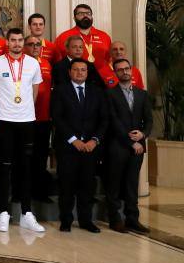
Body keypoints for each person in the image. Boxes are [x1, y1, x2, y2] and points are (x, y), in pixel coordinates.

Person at [0, 28, 45, 233]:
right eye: (13, 40)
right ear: (8, 42)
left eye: (20, 40)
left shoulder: (33, 63)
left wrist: (24, 108)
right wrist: (1, 111)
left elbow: (34, 92)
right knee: (5, 167)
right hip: (4, 121)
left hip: (27, 121)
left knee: (26, 166)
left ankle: (26, 213)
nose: (17, 44)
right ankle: (4, 212)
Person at [51, 59, 108, 233]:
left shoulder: (97, 92)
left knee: (87, 185)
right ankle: (66, 219)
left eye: (83, 70)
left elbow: (104, 119)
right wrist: (73, 139)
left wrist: (94, 140)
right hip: (68, 146)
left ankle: (86, 220)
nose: (80, 73)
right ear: (70, 72)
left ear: (87, 72)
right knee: (67, 184)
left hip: (90, 147)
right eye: (76, 70)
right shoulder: (60, 91)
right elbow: (57, 117)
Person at [105, 58, 153, 234]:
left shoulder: (142, 94)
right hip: (118, 146)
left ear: (131, 70)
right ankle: (115, 219)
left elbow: (148, 120)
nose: (124, 72)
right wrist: (130, 142)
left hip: (138, 147)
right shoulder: (110, 94)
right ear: (115, 73)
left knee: (132, 184)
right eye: (120, 70)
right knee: (114, 184)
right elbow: (113, 121)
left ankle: (132, 219)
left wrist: (143, 135)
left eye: (127, 69)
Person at [24, 36, 54, 203]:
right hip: (25, 117)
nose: (35, 47)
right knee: (24, 157)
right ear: (24, 47)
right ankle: (23, 193)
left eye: (38, 44)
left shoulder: (47, 64)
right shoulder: (21, 64)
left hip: (43, 117)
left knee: (41, 156)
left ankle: (40, 192)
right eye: (31, 44)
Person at [54, 4, 112, 69]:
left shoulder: (104, 36)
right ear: (74, 18)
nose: (85, 15)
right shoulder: (63, 37)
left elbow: (110, 60)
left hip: (101, 77)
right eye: (81, 14)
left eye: (88, 13)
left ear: (92, 17)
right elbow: (57, 61)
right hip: (75, 76)